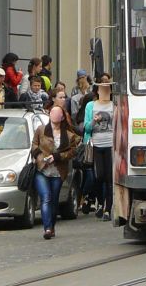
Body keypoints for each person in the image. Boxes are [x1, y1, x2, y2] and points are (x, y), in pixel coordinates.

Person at [30, 106, 79, 239]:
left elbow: (73, 151)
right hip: (42, 169)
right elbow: (34, 144)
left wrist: (57, 157)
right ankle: (47, 228)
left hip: (58, 171)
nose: (54, 115)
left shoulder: (68, 135)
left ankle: (52, 226)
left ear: (62, 117)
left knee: (54, 199)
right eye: (52, 113)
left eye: (57, 113)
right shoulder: (41, 130)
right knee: (46, 197)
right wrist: (39, 157)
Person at [83, 80, 115, 220]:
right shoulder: (91, 106)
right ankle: (100, 203)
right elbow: (87, 127)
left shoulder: (115, 105)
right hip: (96, 144)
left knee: (109, 177)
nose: (105, 93)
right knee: (98, 176)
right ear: (97, 92)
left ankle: (108, 209)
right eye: (102, 90)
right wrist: (94, 121)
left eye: (108, 90)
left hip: (111, 144)